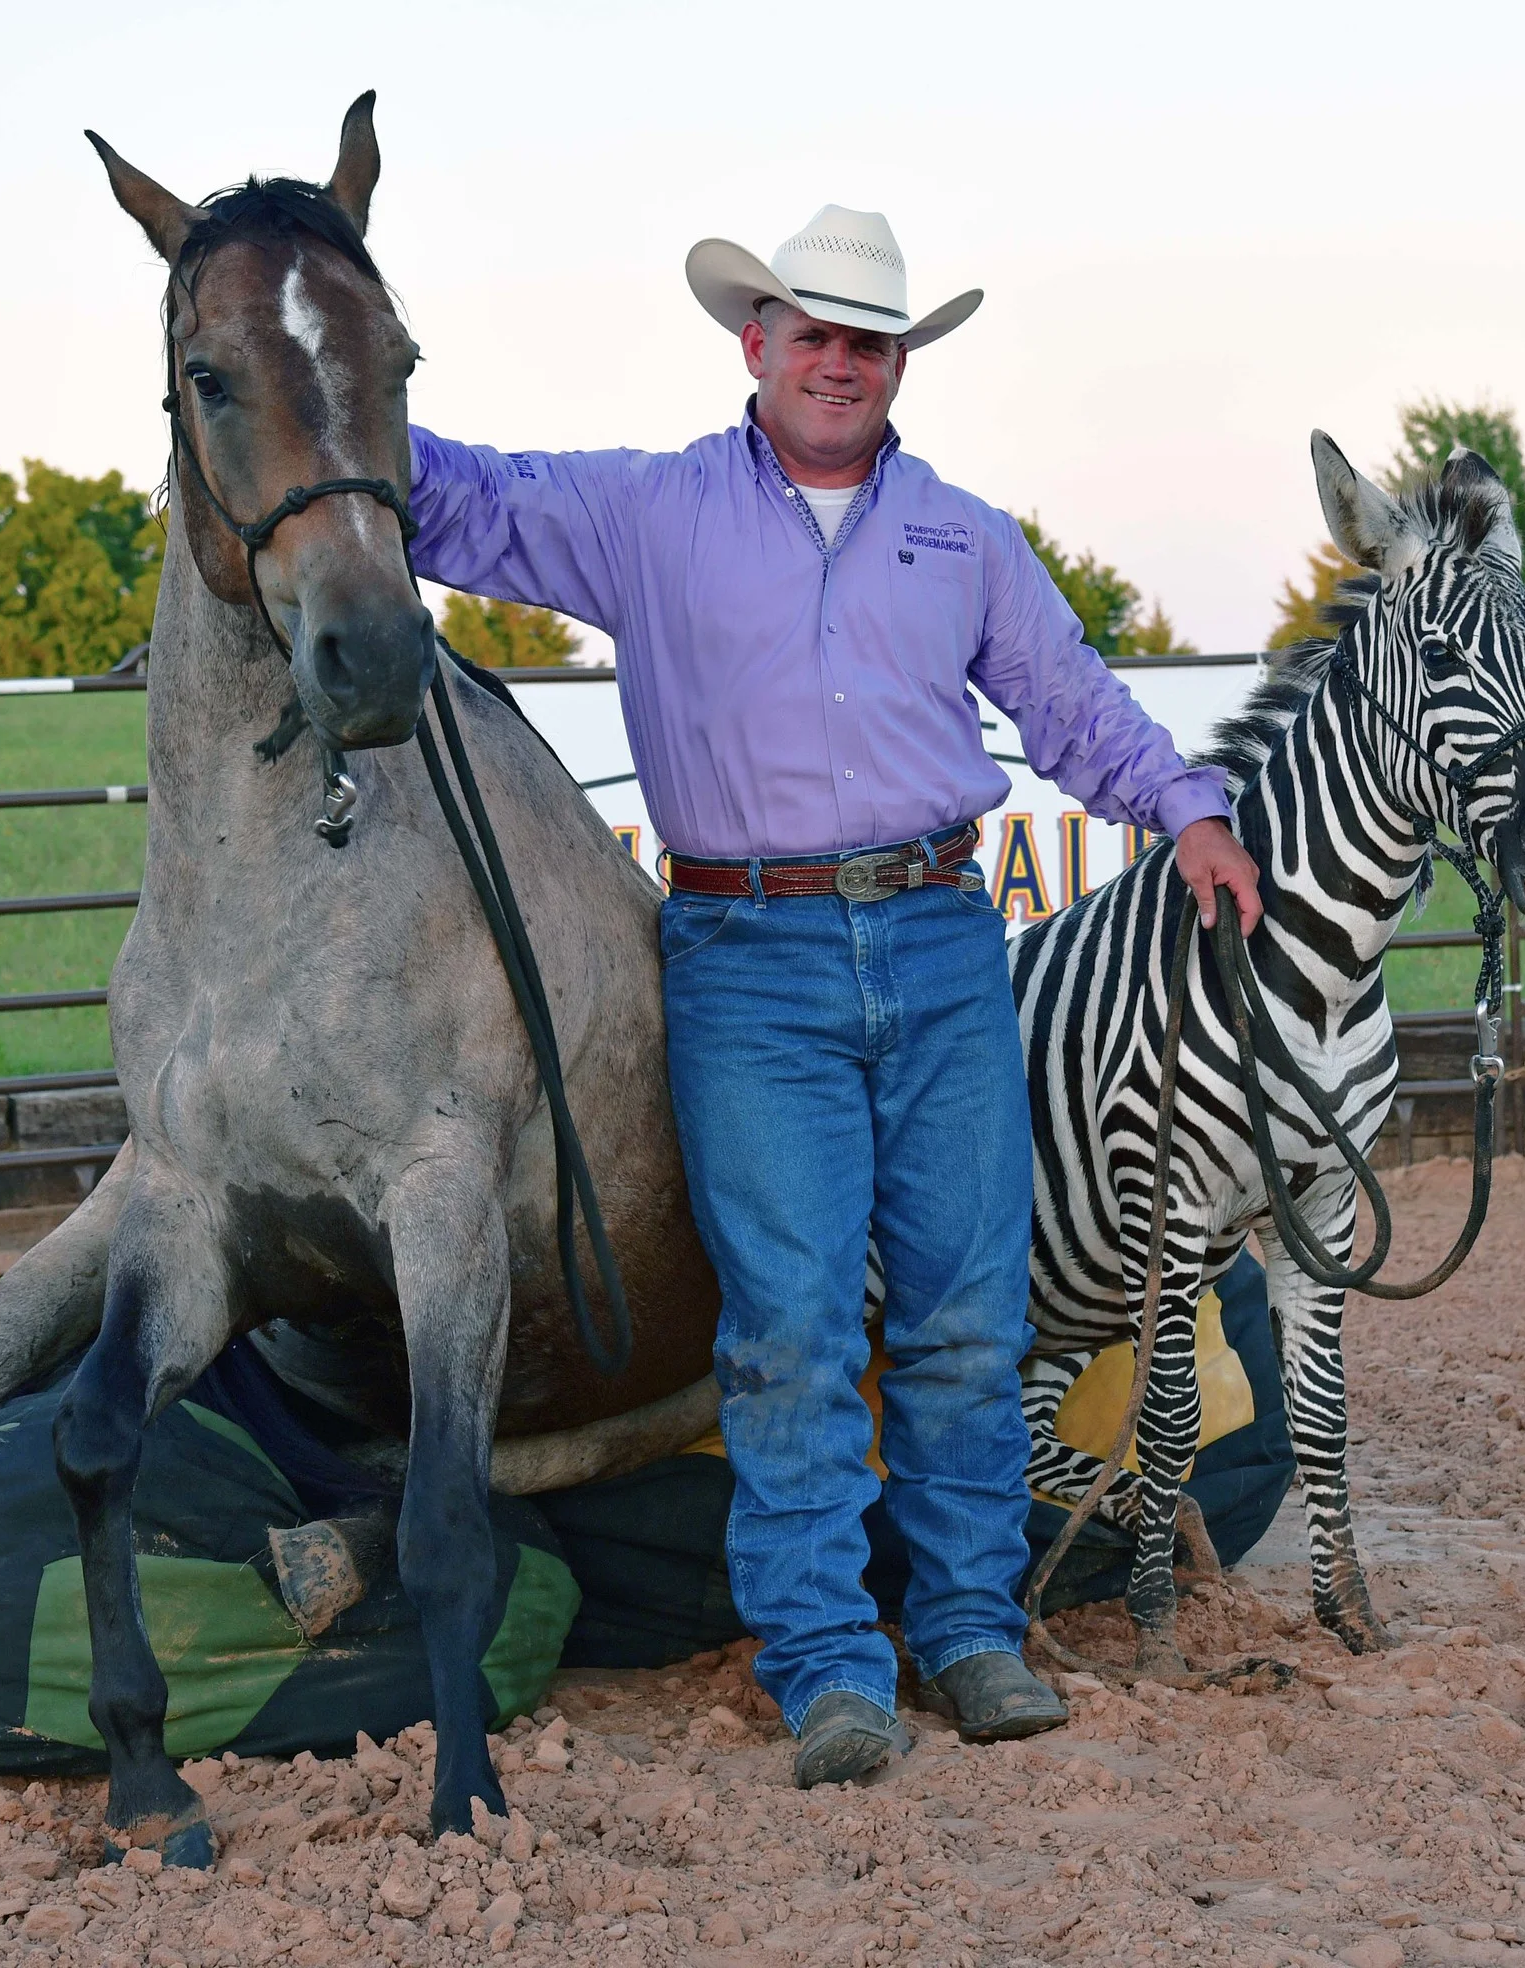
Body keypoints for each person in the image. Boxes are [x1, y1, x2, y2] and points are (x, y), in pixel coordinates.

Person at [407, 206, 1264, 1788]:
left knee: (963, 1312)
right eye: (812, 333)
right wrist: (299, 370)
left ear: (898, 363)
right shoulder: (651, 514)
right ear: (756, 343)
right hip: (751, 960)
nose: (839, 363)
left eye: (868, 340)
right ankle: (825, 1663)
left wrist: (1187, 805)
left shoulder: (962, 537)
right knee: (792, 1330)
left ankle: (970, 1631)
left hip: (942, 945)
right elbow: (463, 499)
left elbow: (1068, 700)